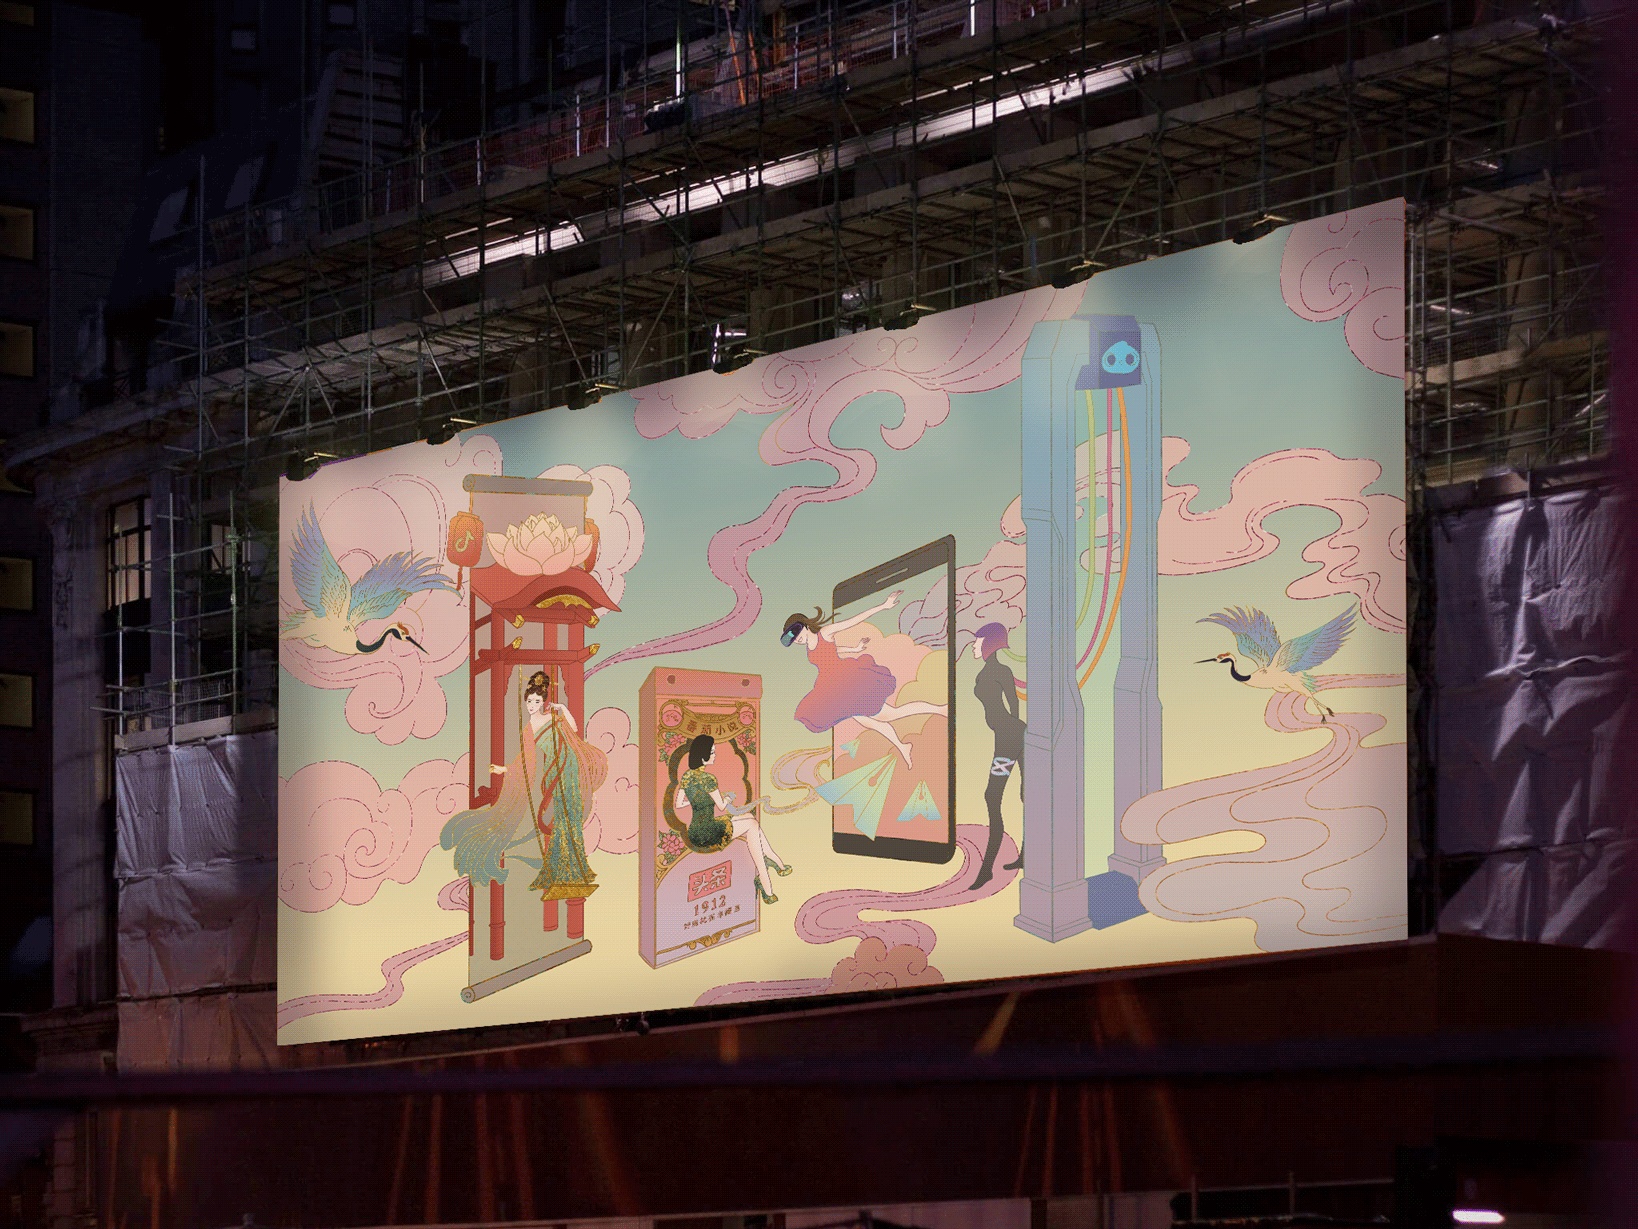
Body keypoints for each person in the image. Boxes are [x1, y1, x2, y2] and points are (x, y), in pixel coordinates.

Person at [441, 670, 607, 901]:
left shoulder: (552, 717)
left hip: (567, 768)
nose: (532, 705)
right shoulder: (528, 727)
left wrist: (562, 708)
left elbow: (574, 729)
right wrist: (505, 770)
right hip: (552, 772)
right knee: (560, 821)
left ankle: (572, 874)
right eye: (529, 701)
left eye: (536, 701)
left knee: (569, 820)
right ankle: (560, 873)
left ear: (544, 702)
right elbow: (525, 760)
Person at [781, 590, 947, 768]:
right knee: (871, 723)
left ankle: (939, 709)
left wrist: (883, 606)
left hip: (849, 682)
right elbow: (830, 653)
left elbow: (853, 621)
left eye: (797, 633)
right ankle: (903, 746)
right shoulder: (809, 648)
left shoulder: (825, 632)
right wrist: (854, 649)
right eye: (793, 639)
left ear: (805, 625)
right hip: (835, 690)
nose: (797, 639)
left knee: (890, 714)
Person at [674, 733, 791, 904]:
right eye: (711, 752)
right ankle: (766, 883)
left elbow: (678, 804)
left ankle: (774, 861)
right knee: (752, 825)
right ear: (703, 756)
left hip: (695, 831)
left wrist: (697, 801)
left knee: (749, 817)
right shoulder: (708, 779)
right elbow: (722, 806)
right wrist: (728, 798)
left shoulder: (687, 776)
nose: (714, 755)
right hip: (709, 832)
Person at [971, 622, 1025, 889]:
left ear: (989, 643)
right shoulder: (985, 672)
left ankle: (987, 870)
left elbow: (1013, 704)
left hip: (1010, 737)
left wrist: (1011, 737)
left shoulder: (1002, 671)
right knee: (1024, 794)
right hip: (1007, 736)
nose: (973, 645)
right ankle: (1025, 855)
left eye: (977, 641)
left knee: (992, 796)